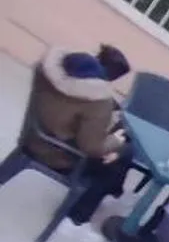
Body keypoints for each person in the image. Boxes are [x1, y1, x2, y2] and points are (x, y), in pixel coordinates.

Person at [23, 44, 134, 230]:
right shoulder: (97, 101)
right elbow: (90, 147)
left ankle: (114, 187)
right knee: (124, 154)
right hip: (58, 154)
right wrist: (115, 142)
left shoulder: (54, 70)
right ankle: (77, 216)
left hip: (34, 134)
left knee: (118, 154)